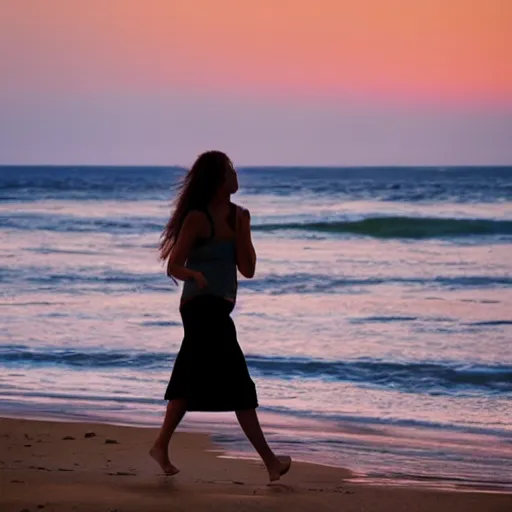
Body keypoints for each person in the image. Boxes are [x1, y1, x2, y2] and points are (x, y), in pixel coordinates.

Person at [150, 150, 291, 482]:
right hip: (200, 307)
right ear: (217, 180)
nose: (236, 176)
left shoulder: (239, 216)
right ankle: (270, 462)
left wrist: (243, 231)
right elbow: (174, 265)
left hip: (220, 305)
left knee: (190, 376)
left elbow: (248, 269)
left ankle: (160, 445)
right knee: (238, 380)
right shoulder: (198, 219)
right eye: (230, 171)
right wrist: (195, 276)